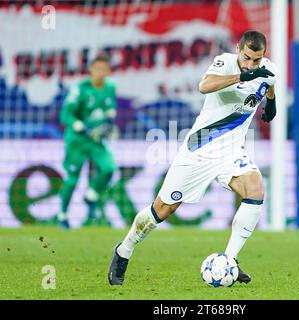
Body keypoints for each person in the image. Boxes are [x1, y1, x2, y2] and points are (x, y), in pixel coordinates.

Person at [108, 30, 277, 285]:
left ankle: (229, 260)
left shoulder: (268, 69)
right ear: (238, 49)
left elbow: (270, 83)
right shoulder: (225, 62)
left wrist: (271, 102)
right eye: (246, 58)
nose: (251, 64)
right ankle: (124, 250)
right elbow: (204, 86)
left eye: (257, 60)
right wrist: (244, 75)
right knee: (163, 209)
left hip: (231, 151)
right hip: (199, 149)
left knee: (255, 189)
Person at [58, 53, 118, 229]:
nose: (100, 72)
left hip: (95, 140)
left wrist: (109, 125)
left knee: (108, 167)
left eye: (103, 69)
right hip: (77, 141)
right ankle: (62, 214)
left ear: (108, 71)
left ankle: (91, 195)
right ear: (91, 70)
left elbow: (109, 112)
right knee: (72, 179)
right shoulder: (80, 89)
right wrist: (77, 124)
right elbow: (65, 115)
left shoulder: (110, 88)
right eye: (97, 69)